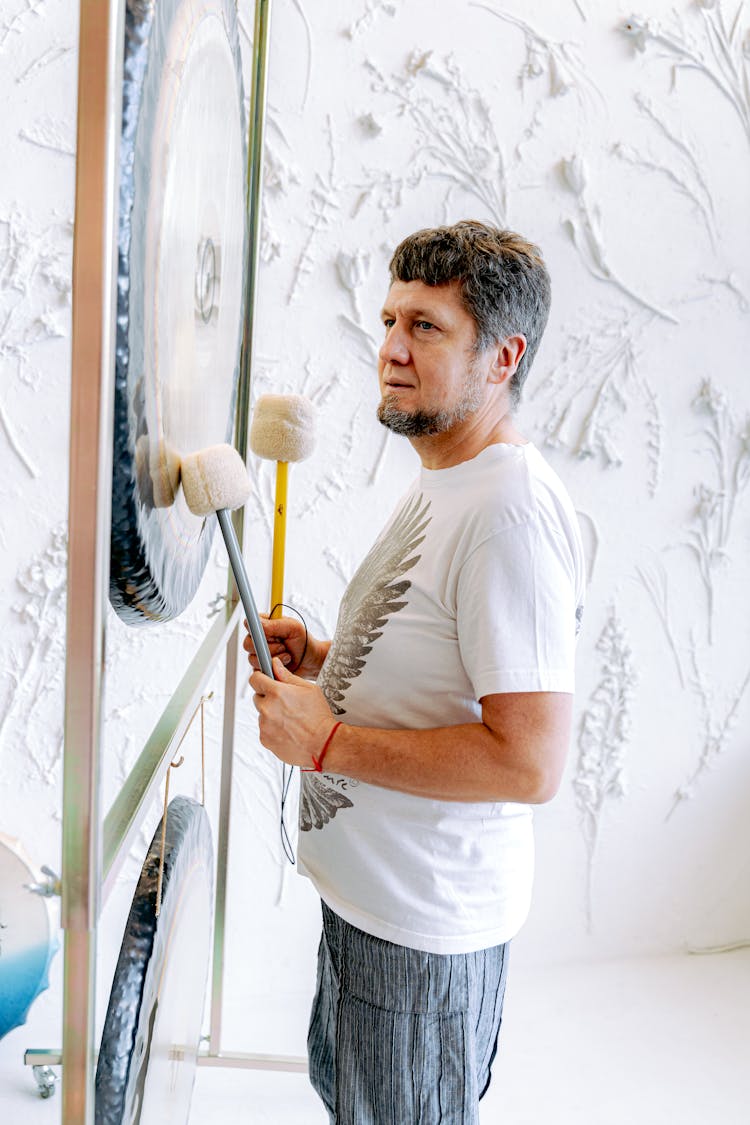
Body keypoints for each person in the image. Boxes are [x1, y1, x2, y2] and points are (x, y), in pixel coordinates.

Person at [245, 220, 585, 1124]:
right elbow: (443, 670)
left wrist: (328, 742)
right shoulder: (453, 479)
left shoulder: (509, 512)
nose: (390, 349)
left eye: (426, 327)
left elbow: (528, 762)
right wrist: (326, 660)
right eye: (391, 320)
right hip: (373, 913)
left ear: (502, 356)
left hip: (420, 940)